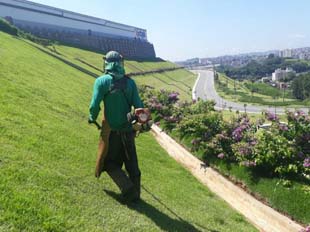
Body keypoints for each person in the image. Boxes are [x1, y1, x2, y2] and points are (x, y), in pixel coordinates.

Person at [88, 51, 144, 202]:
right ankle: (135, 196)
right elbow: (139, 107)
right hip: (128, 131)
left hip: (112, 132)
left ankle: (127, 188)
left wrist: (92, 117)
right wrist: (140, 124)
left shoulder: (102, 81)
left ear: (106, 63)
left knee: (109, 162)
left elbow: (94, 105)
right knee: (132, 164)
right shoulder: (130, 83)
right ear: (120, 63)